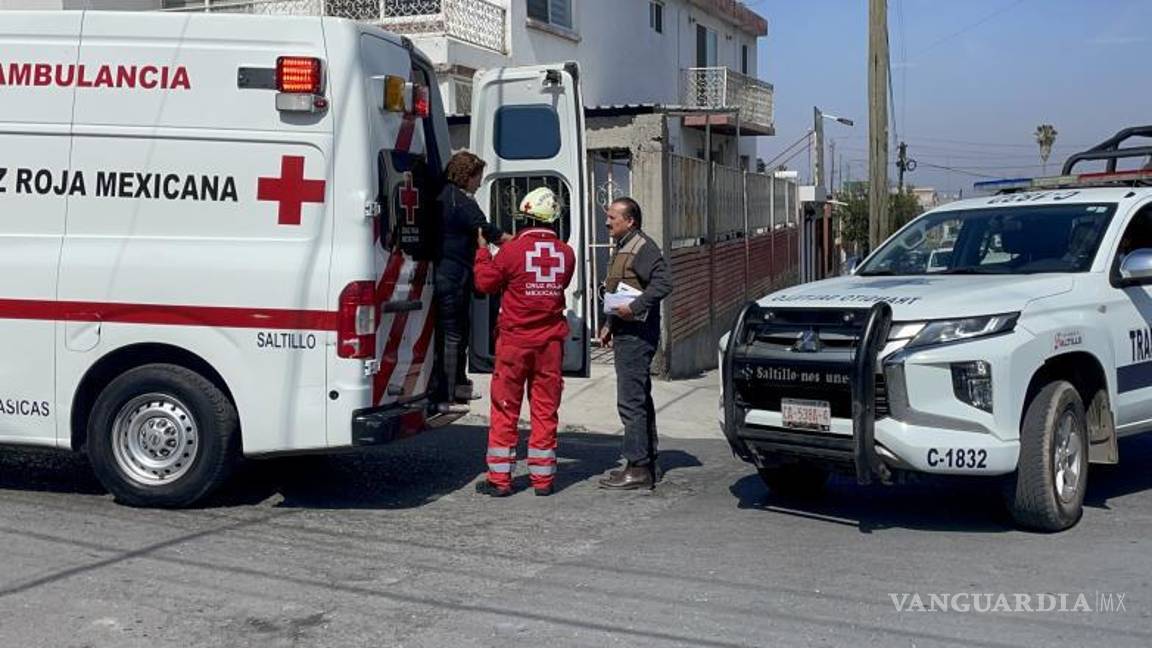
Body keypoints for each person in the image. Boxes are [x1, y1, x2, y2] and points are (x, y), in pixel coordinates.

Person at [472, 187, 576, 497]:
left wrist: (481, 252)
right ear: (555, 219)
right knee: (545, 410)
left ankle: (500, 480)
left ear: (525, 216)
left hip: (515, 343)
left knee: (506, 409)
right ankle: (543, 481)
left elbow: (485, 283)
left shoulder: (513, 251)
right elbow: (561, 284)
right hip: (550, 345)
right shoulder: (566, 253)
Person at [597, 197, 673, 490]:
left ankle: (638, 467)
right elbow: (620, 288)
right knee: (638, 397)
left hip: (637, 336)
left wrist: (637, 307)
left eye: (613, 217)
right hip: (626, 330)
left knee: (630, 401)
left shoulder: (643, 247)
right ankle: (645, 460)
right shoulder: (625, 246)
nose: (607, 222)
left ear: (630, 221)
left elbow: (664, 282)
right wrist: (610, 325)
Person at [432, 151, 510, 416]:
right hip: (453, 277)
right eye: (478, 177)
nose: (479, 183)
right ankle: (449, 392)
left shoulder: (444, 195)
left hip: (446, 274)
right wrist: (520, 241)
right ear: (468, 175)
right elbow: (485, 230)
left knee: (456, 332)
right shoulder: (462, 202)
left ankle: (459, 385)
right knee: (454, 335)